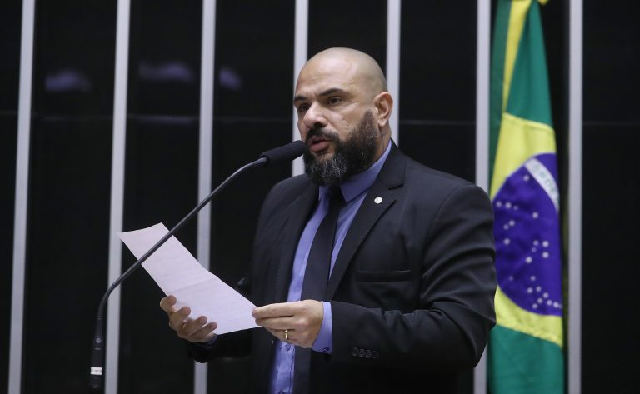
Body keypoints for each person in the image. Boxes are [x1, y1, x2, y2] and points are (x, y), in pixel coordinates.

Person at [160, 47, 497, 394]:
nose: (311, 118)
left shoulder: (446, 203)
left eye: (333, 100)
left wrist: (331, 327)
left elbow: (459, 336)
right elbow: (262, 316)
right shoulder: (284, 197)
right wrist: (210, 329)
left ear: (381, 109)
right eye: (302, 106)